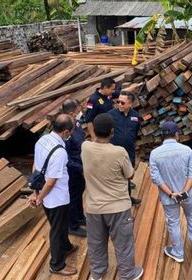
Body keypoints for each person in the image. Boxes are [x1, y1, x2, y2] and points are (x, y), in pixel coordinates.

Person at [81, 113, 143, 280]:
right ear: (112, 132)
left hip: (93, 208)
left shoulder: (85, 147)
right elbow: (130, 175)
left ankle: (97, 274)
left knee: (96, 244)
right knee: (123, 244)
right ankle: (127, 275)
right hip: (118, 208)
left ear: (94, 129)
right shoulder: (119, 152)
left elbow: (93, 143)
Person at [28, 114, 78, 276]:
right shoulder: (60, 152)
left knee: (59, 225)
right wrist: (39, 198)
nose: (72, 133)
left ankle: (67, 247)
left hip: (46, 195)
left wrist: (35, 193)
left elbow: (36, 167)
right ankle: (56, 265)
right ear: (65, 132)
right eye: (71, 130)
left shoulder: (42, 140)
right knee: (57, 229)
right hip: (56, 198)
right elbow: (51, 181)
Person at [149, 121, 192, 263]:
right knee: (191, 213)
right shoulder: (187, 150)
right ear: (177, 135)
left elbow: (156, 178)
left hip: (169, 198)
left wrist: (171, 194)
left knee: (173, 222)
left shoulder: (154, 154)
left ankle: (178, 253)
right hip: (186, 195)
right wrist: (184, 192)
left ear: (162, 136)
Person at [108, 92, 142, 205]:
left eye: (123, 102)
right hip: (113, 153)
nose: (120, 105)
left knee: (128, 176)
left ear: (130, 104)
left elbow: (136, 133)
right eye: (118, 102)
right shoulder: (110, 115)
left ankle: (128, 198)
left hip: (128, 152)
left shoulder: (136, 117)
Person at [62, 99, 87, 237]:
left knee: (79, 192)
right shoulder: (65, 132)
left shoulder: (76, 124)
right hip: (72, 170)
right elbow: (65, 158)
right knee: (72, 196)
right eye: (78, 110)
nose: (80, 113)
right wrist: (79, 168)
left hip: (80, 166)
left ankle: (79, 217)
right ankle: (72, 225)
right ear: (72, 112)